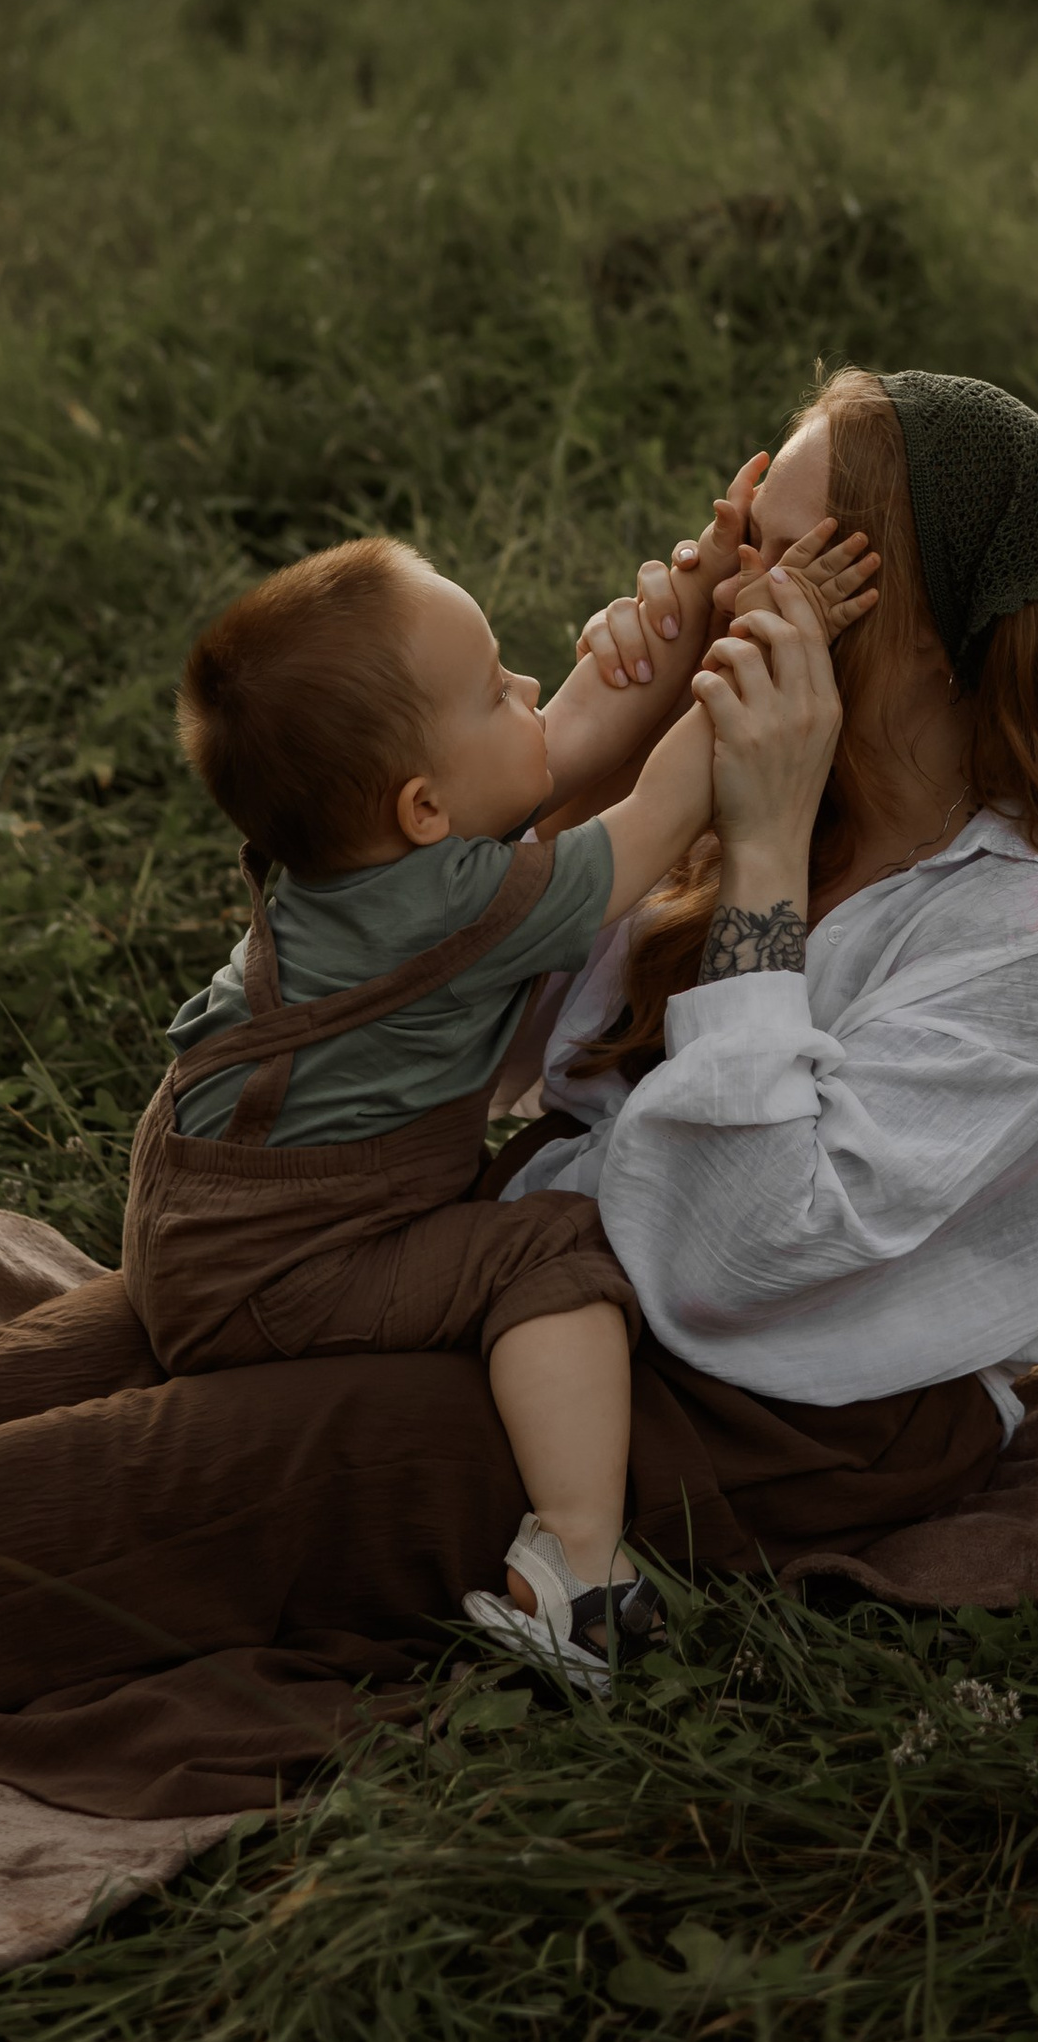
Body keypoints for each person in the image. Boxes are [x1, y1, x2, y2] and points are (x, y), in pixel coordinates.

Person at [0, 368, 1038, 1792]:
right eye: (733, 539)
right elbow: (487, 1027)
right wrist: (585, 738)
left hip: (785, 1403)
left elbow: (743, 1258)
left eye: (781, 557)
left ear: (925, 628)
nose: (732, 582)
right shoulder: (786, 783)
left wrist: (754, 871)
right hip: (538, 1276)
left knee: (145, 1484)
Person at [121, 491, 877, 1690]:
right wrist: (783, 624)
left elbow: (551, 757)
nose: (533, 687)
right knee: (551, 1249)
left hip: (207, 1211)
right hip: (280, 1263)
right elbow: (671, 804)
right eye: (495, 688)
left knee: (498, 1227)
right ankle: (575, 1567)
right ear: (426, 809)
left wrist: (681, 616)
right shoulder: (464, 903)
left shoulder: (376, 863)